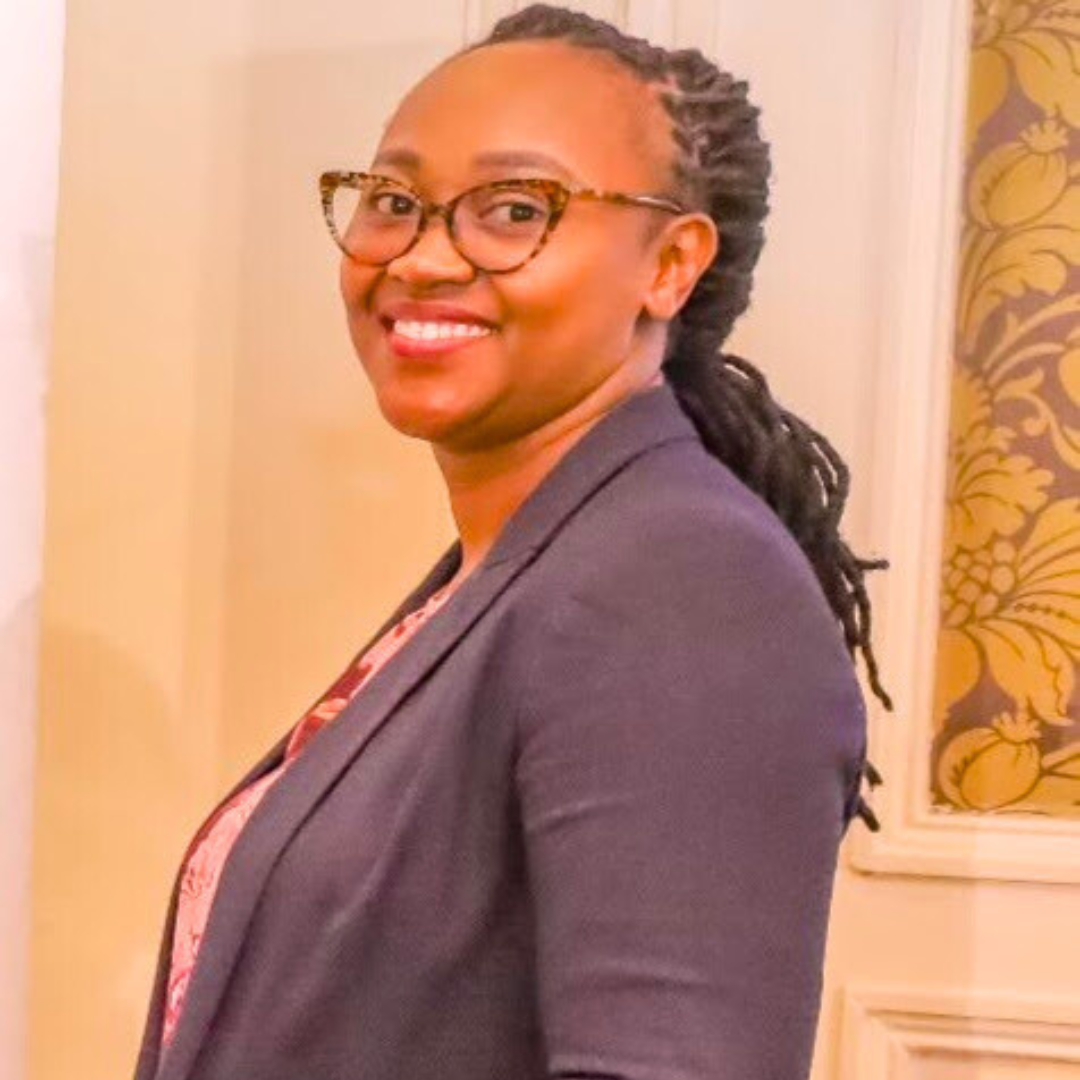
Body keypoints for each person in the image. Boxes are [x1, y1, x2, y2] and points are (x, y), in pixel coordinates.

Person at [133, 6, 891, 1079]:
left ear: (670, 263)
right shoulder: (522, 568)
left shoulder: (679, 585)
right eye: (394, 202)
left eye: (515, 210)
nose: (422, 257)